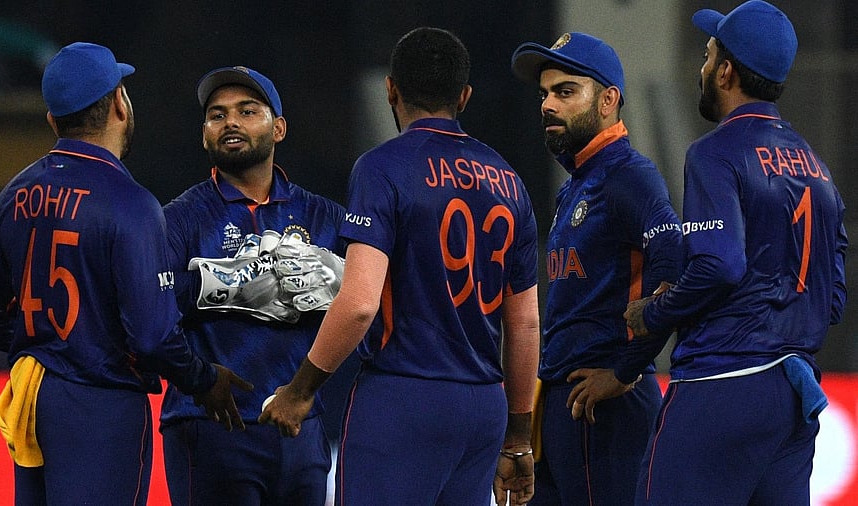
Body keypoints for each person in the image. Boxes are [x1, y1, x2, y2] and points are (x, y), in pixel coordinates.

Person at [259, 27, 540, 506]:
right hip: (483, 407)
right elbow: (526, 322)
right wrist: (517, 437)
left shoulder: (382, 167)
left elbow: (361, 304)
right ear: (464, 97)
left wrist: (299, 390)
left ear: (391, 89)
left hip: (404, 398)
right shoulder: (509, 181)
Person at [0, 42, 252, 506]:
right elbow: (153, 338)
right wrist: (203, 378)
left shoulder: (13, 193)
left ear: (54, 120)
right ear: (120, 102)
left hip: (33, 397)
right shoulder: (130, 203)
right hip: (101, 403)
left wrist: (49, 346)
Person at [624, 1, 848, 504]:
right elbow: (832, 299)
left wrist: (655, 311)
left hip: (722, 384)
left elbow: (720, 265)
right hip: (794, 397)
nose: (703, 68)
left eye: (708, 55)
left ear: (725, 72)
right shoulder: (817, 167)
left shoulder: (715, 151)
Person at [159, 65, 348, 505]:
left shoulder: (325, 217)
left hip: (301, 426)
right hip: (211, 425)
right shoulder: (178, 218)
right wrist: (233, 281)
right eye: (217, 115)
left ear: (279, 128)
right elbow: (154, 315)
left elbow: (366, 309)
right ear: (205, 133)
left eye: (248, 111)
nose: (231, 123)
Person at [510, 32, 683, 505]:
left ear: (608, 100)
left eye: (566, 92)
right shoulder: (578, 184)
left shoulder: (629, 175)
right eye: (545, 93)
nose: (548, 104)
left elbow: (674, 265)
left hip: (607, 409)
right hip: (566, 406)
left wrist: (625, 369)